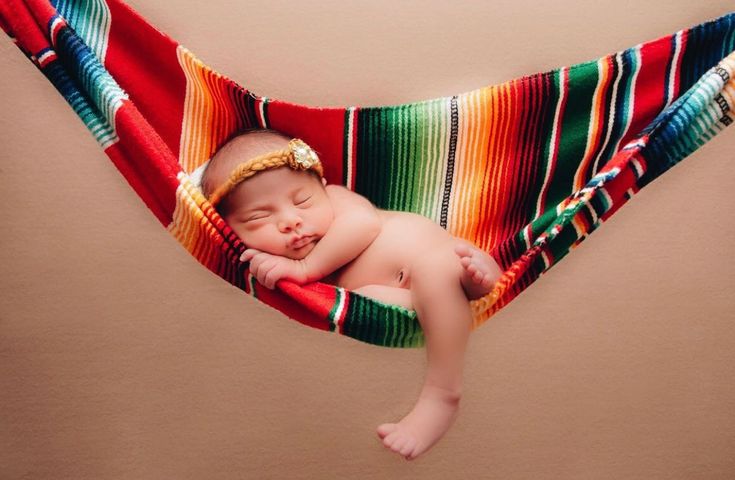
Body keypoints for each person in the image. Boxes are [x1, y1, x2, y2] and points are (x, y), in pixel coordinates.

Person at [200, 129, 503, 460]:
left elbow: (364, 224)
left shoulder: (336, 199)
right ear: (229, 230)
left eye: (302, 201)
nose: (290, 221)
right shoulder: (284, 271)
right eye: (259, 218)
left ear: (321, 186)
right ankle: (465, 290)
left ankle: (442, 393)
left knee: (438, 267)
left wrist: (305, 269)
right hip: (417, 303)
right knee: (371, 298)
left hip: (446, 261)